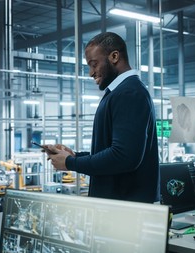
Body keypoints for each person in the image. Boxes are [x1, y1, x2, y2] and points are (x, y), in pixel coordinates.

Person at [44, 32, 159, 203]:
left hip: (127, 211)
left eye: (94, 64)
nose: (91, 73)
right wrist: (75, 156)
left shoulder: (129, 93)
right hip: (121, 207)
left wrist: (70, 163)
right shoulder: (119, 92)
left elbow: (124, 157)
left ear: (114, 56)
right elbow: (113, 149)